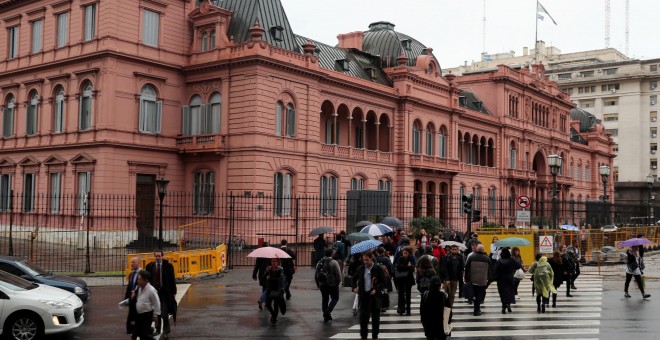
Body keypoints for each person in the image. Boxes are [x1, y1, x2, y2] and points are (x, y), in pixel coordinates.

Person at [352, 251, 386, 340]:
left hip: (375, 297)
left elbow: (384, 282)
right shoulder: (361, 268)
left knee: (375, 319)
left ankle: (375, 336)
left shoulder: (378, 268)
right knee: (363, 319)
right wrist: (354, 288)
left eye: (367, 260)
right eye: (364, 260)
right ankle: (364, 336)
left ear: (371, 258)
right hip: (364, 296)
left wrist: (376, 289)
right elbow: (353, 278)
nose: (365, 262)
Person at [146, 250, 176, 338]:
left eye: (159, 256)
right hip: (154, 293)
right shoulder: (150, 266)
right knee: (156, 312)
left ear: (162, 256)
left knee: (164, 312)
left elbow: (172, 280)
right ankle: (158, 329)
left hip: (164, 293)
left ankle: (166, 330)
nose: (158, 258)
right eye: (156, 256)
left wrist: (174, 292)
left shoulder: (168, 266)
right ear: (154, 256)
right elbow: (147, 279)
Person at [465, 244, 493, 316]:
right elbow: (491, 270)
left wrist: (466, 278)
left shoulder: (471, 257)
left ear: (477, 249)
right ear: (483, 250)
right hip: (482, 281)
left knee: (474, 294)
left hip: (473, 279)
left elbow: (467, 268)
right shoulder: (487, 258)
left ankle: (476, 309)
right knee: (480, 295)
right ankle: (477, 309)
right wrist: (489, 280)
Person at [131, 270, 160, 340]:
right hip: (139, 315)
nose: (138, 281)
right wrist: (133, 295)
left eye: (140, 280)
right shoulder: (139, 288)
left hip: (147, 315)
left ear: (146, 281)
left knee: (144, 335)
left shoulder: (151, 290)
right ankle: (150, 330)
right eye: (138, 279)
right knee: (135, 333)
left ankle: (150, 332)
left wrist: (155, 315)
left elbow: (157, 303)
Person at [315, 249, 342, 322]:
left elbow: (316, 274)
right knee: (335, 298)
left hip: (322, 284)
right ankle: (328, 312)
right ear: (331, 254)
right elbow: (338, 274)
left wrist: (318, 284)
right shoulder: (334, 262)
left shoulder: (320, 262)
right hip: (332, 284)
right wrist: (338, 283)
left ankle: (325, 315)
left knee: (325, 299)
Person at [494, 248, 521, 314]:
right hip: (510, 278)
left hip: (501, 279)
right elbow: (518, 266)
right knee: (510, 292)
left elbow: (495, 270)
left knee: (502, 293)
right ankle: (508, 304)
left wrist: (494, 278)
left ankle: (503, 307)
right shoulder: (511, 260)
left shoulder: (499, 261)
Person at [265, 258, 287, 325]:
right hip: (270, 289)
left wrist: (270, 278)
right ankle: (273, 314)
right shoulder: (269, 269)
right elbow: (264, 278)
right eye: (272, 261)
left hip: (277, 289)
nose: (273, 262)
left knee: (276, 305)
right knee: (268, 304)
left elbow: (280, 279)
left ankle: (274, 319)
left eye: (275, 261)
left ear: (278, 262)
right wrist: (266, 272)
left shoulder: (280, 269)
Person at [395, 246, 416, 316]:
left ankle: (408, 310)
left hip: (408, 279)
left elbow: (413, 269)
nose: (405, 255)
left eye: (406, 253)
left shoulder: (411, 259)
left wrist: (408, 267)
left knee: (408, 294)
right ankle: (401, 309)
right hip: (401, 279)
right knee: (400, 294)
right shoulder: (400, 258)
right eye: (404, 253)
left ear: (409, 254)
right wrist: (407, 267)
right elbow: (398, 267)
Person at [125, 257, 142, 337]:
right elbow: (129, 287)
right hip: (132, 301)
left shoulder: (143, 274)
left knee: (138, 320)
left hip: (140, 301)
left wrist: (136, 292)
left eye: (133, 262)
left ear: (139, 263)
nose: (131, 264)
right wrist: (126, 299)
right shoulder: (131, 274)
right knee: (132, 319)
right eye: (131, 262)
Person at [252, 242, 270, 310]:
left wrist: (254, 274)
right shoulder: (269, 255)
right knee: (268, 288)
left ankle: (265, 301)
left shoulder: (259, 255)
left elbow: (256, 266)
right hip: (268, 274)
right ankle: (262, 300)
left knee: (264, 287)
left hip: (261, 274)